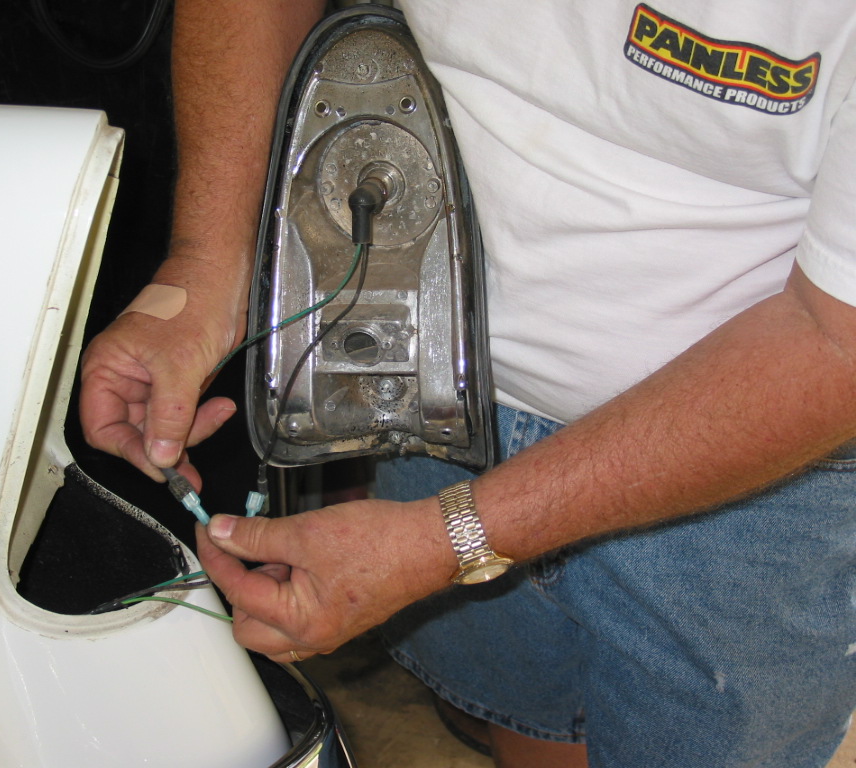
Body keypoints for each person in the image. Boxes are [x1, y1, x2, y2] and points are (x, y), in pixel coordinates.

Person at [79, 2, 856, 766]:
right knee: (526, 716)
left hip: (756, 476)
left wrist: (445, 541)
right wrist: (200, 273)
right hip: (438, 399)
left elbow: (836, 343)